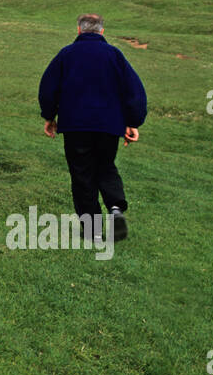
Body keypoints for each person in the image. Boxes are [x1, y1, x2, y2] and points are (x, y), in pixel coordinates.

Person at [38, 13, 147, 241]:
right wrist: (133, 122)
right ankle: (116, 207)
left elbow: (48, 88)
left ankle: (93, 231)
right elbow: (134, 92)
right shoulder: (115, 55)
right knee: (106, 165)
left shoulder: (66, 54)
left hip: (76, 125)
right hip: (109, 125)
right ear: (102, 31)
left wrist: (49, 116)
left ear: (78, 30)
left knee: (82, 172)